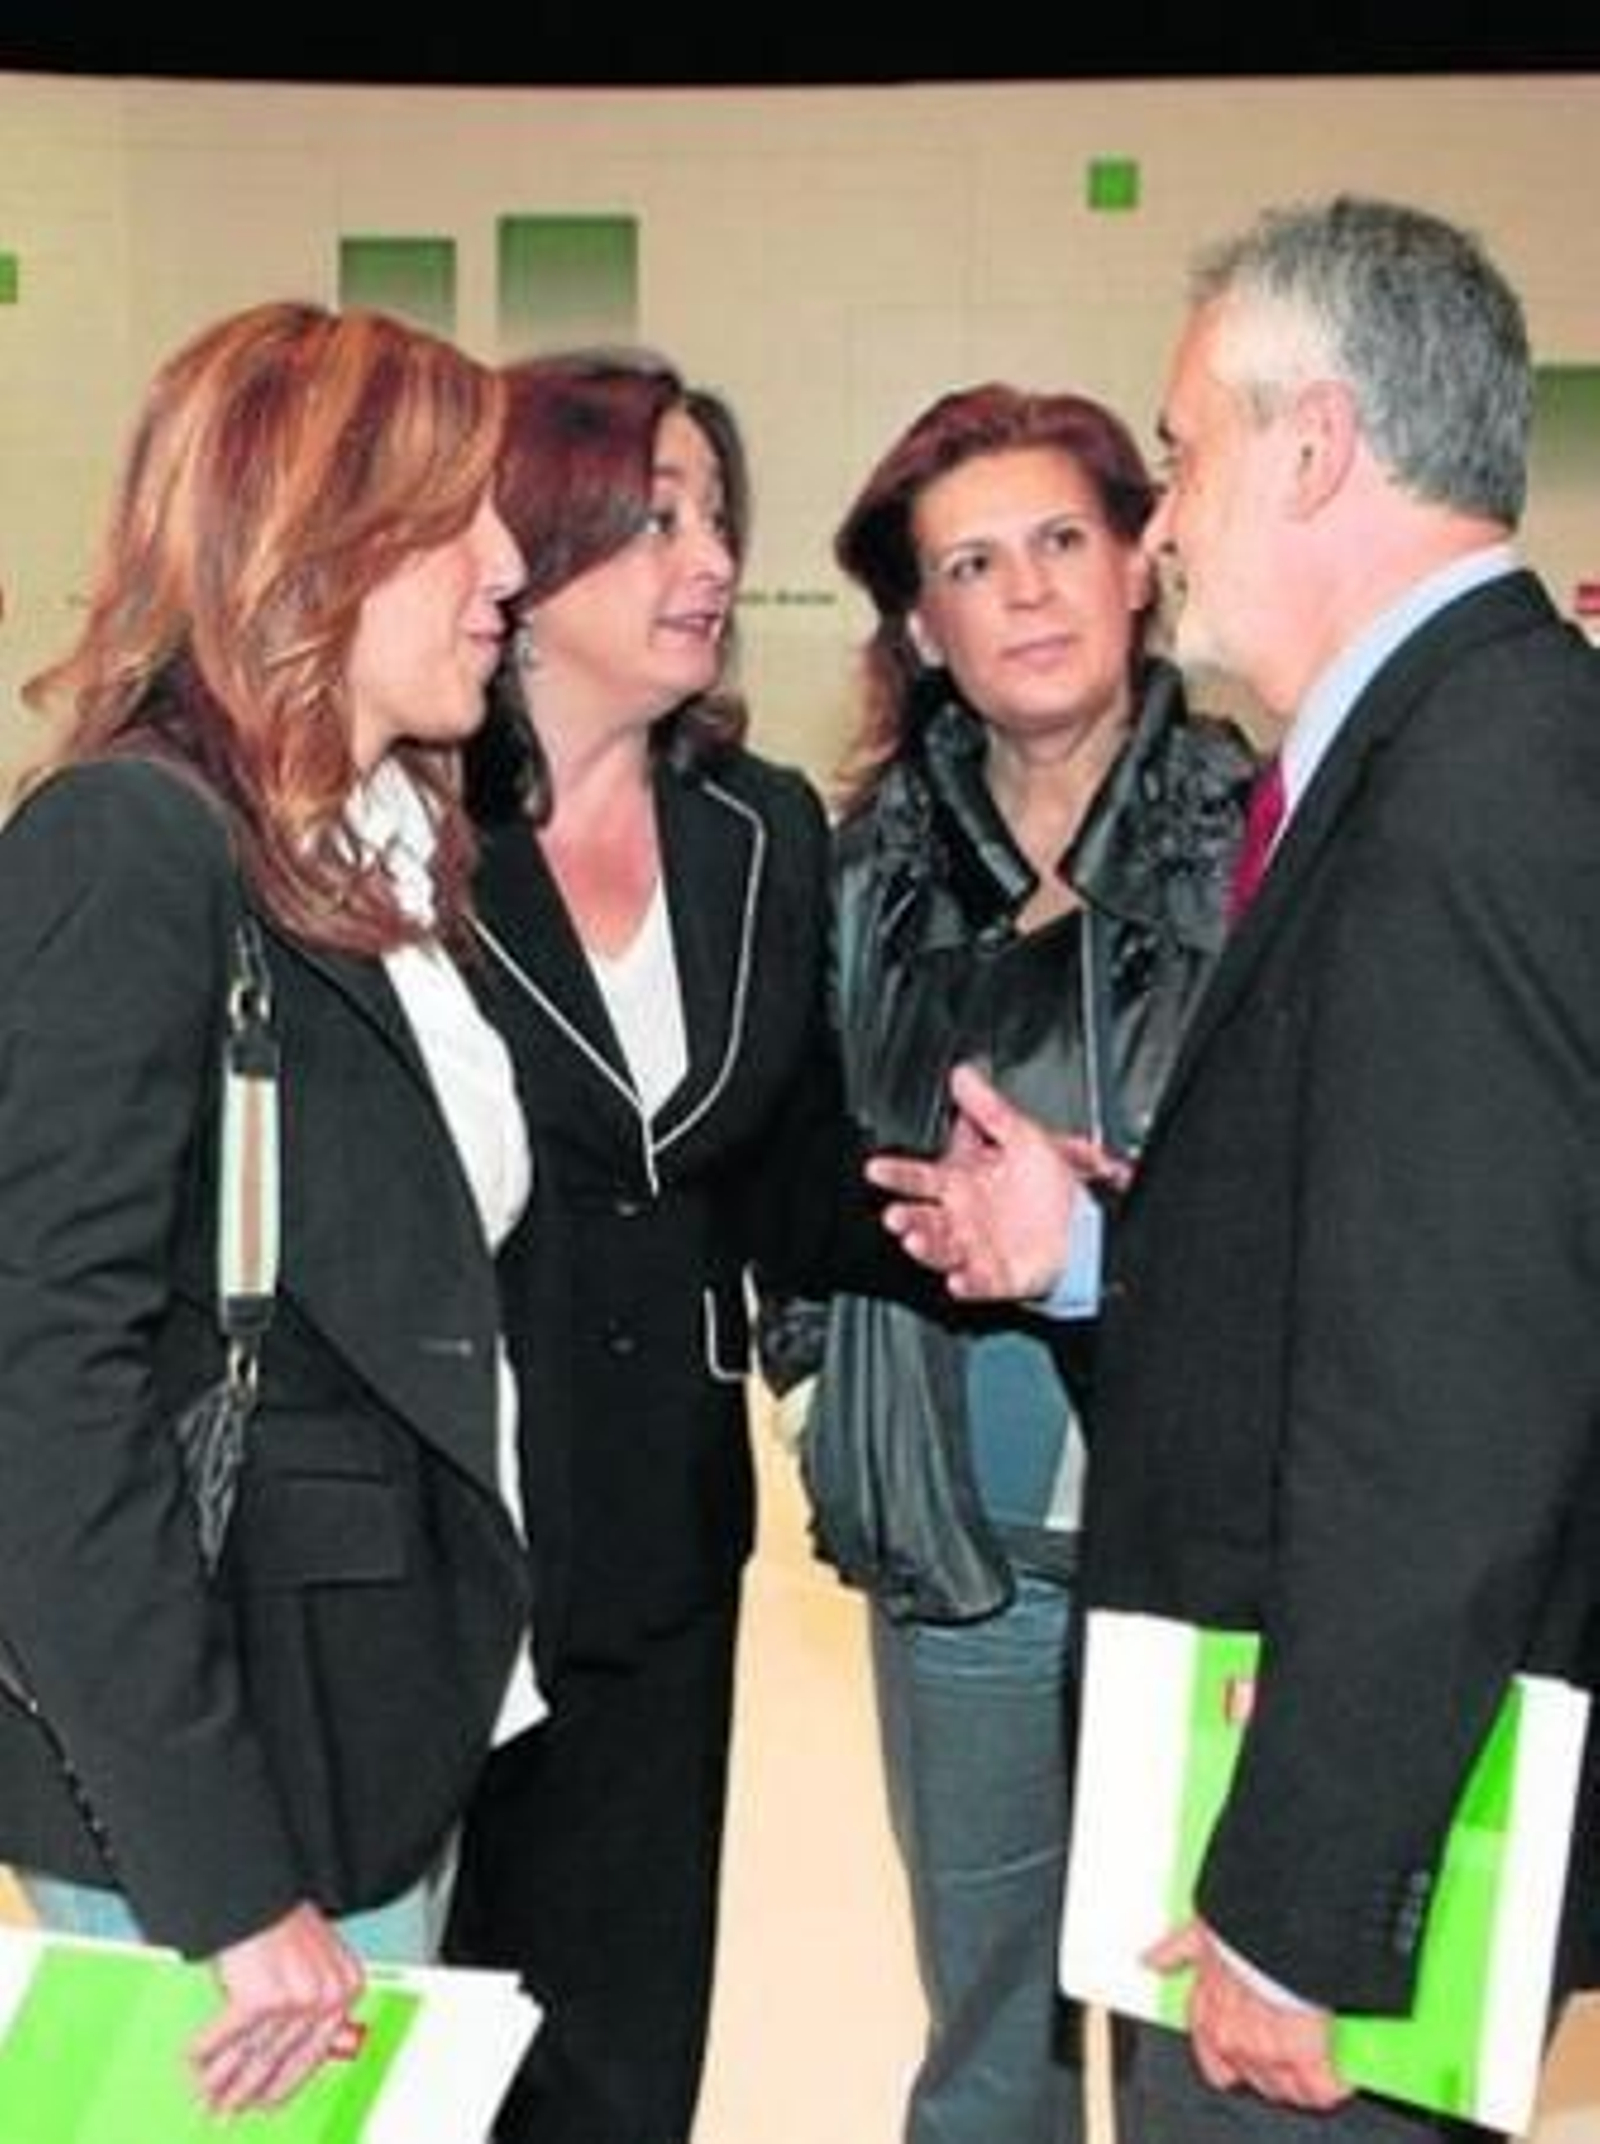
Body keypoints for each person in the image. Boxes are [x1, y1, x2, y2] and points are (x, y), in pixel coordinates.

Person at [866, 195, 1600, 2142]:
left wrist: (1297, 1899)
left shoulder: (1473, 788)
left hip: (1329, 1845)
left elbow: (1451, 1402)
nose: (1161, 517)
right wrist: (1104, 1249)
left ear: (1313, 445)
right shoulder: (1451, 747)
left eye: (1181, 454)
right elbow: (1382, 1242)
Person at [0, 299, 536, 2118]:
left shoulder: (368, 852)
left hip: (359, 1735)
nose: (511, 567)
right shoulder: (128, 849)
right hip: (226, 1795)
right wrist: (222, 1879)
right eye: (466, 519)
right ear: (327, 535)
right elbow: (47, 1399)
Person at [758, 381, 1253, 2144]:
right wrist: (835, 1387)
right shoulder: (856, 871)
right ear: (921, 625)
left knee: (1219, 2038)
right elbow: (789, 1167)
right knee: (988, 2039)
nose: (1028, 590)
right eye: (974, 561)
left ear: (1139, 565)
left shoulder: (1267, 839)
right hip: (959, 1550)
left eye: (1062, 540)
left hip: (1218, 1553)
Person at [442, 348, 897, 2144]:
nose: (705, 558)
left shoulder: (757, 828)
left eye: (717, 516)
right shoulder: (399, 826)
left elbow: (784, 1177)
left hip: (661, 1533)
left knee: (626, 2048)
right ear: (528, 556)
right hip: (441, 1537)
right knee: (422, 2025)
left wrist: (987, 1225)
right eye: (653, 519)